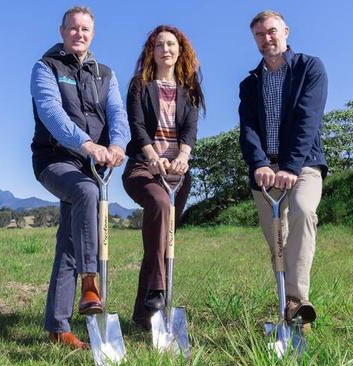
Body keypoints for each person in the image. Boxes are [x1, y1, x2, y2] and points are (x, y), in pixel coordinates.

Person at [30, 6, 130, 349]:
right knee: (86, 192)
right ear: (62, 31)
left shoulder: (105, 73)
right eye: (73, 28)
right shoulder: (46, 67)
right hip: (55, 160)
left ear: (93, 33)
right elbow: (51, 112)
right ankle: (91, 283)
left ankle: (58, 328)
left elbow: (117, 111)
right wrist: (86, 144)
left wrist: (116, 144)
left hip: (94, 164)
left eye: (85, 29)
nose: (79, 34)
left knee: (69, 244)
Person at [239, 10, 328, 326]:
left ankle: (295, 300)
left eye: (272, 31)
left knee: (303, 211)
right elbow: (248, 128)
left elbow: (308, 118)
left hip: (303, 166)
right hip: (266, 171)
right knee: (278, 238)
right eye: (260, 35)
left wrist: (290, 166)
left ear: (286, 31)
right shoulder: (250, 83)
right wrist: (260, 163)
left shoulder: (309, 68)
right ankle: (288, 311)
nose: (267, 38)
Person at [122, 25, 205, 330]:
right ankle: (158, 288)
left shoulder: (189, 89)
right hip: (143, 168)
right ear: (151, 52)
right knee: (159, 204)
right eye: (159, 45)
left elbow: (190, 130)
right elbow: (137, 125)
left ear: (180, 51)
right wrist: (153, 156)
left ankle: (145, 317)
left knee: (160, 243)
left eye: (171, 44)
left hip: (177, 175)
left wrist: (182, 157)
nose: (165, 50)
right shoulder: (139, 86)